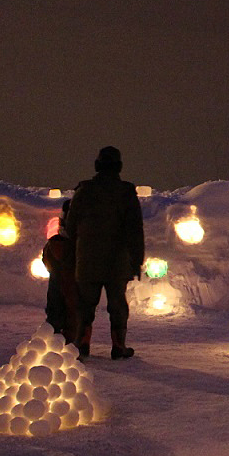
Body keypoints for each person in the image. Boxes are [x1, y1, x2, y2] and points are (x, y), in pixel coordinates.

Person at [65, 145, 144, 360]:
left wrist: (74, 253)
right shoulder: (126, 193)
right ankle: (119, 346)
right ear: (119, 167)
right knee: (117, 305)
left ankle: (82, 343)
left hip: (87, 260)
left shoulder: (84, 191)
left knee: (84, 305)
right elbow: (135, 230)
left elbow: (70, 226)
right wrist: (137, 260)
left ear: (97, 165)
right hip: (116, 261)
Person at [42, 200, 85, 349]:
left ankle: (52, 342)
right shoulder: (76, 244)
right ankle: (71, 345)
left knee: (54, 310)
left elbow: (45, 259)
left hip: (56, 278)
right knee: (72, 310)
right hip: (71, 280)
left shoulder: (53, 242)